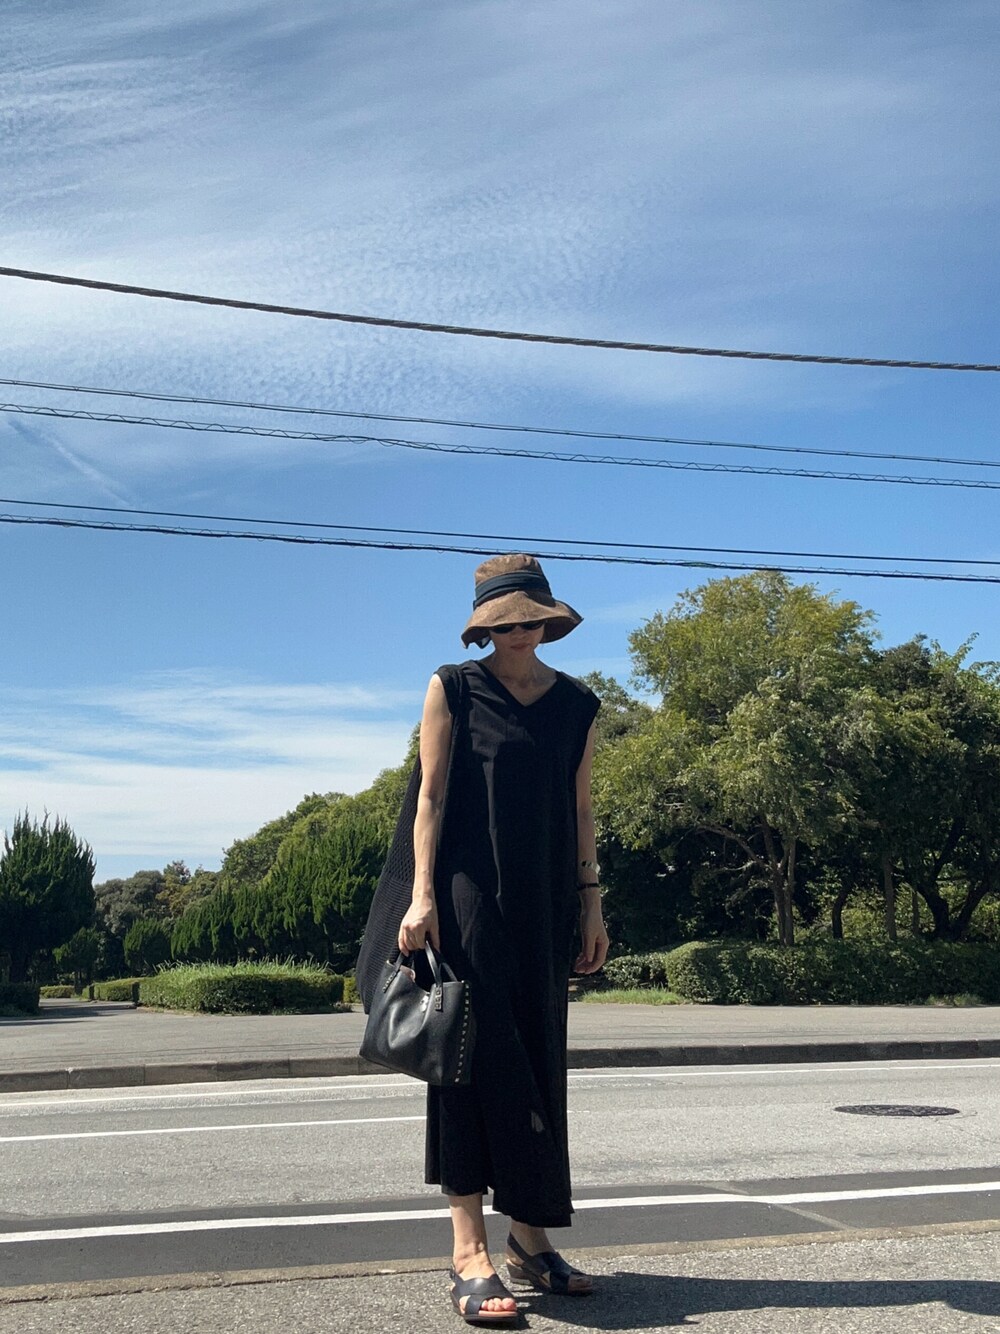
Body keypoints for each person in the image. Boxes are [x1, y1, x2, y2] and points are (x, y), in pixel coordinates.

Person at [396, 553, 609, 1325]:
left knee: (538, 1060)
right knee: (469, 1063)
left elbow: (581, 810)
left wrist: (591, 903)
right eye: (505, 623)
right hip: (468, 900)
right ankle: (468, 1251)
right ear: (485, 627)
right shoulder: (454, 687)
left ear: (548, 620)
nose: (519, 634)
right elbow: (431, 798)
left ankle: (529, 1236)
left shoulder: (577, 704)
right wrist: (422, 896)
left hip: (547, 901)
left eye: (530, 621)